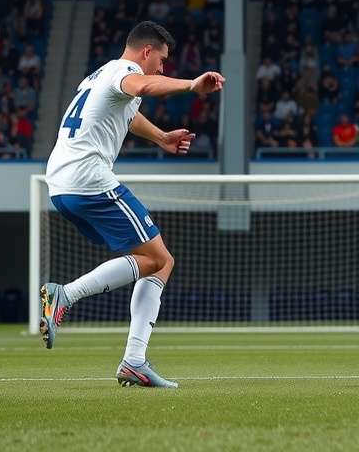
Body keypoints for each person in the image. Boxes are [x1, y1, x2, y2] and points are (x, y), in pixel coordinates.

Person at [40, 21, 225, 388]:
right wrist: (191, 85)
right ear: (146, 51)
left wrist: (161, 137)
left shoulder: (99, 76)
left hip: (62, 185)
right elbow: (142, 86)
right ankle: (66, 296)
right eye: (162, 60)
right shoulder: (126, 71)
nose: (162, 67)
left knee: (159, 261)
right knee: (159, 260)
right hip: (89, 179)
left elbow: (129, 112)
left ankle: (134, 362)